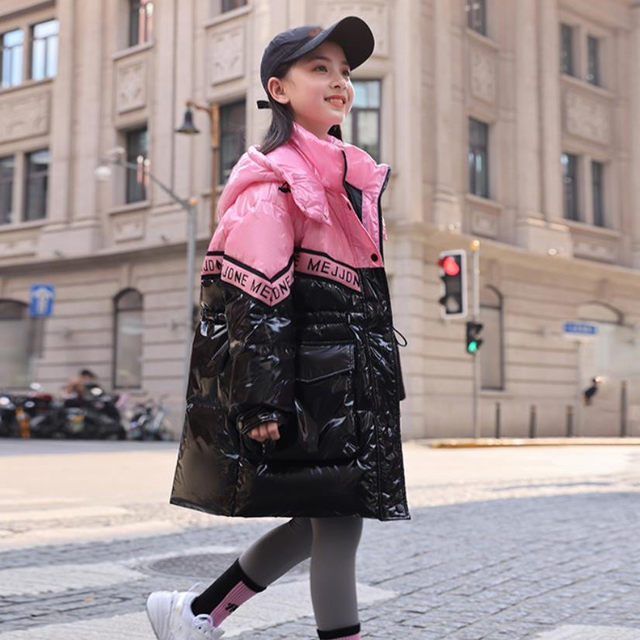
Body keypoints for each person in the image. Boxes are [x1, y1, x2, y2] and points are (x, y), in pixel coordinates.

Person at [146, 15, 409, 640]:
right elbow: (255, 301)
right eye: (320, 68)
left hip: (341, 384)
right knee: (337, 522)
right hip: (307, 387)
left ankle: (196, 613)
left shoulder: (346, 179)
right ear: (279, 89)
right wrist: (261, 400)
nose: (339, 81)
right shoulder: (274, 184)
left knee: (318, 518)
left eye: (344, 71)